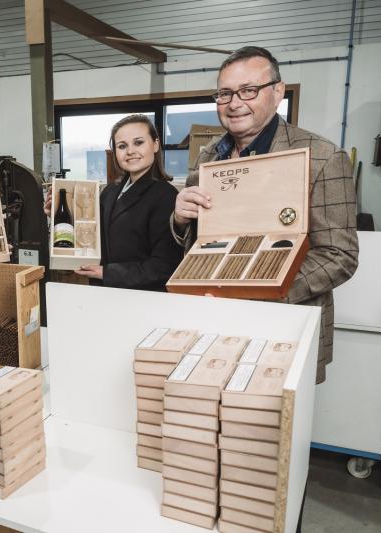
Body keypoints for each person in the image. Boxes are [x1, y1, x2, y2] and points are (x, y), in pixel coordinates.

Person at [171, 46, 359, 385]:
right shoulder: (209, 157)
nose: (234, 102)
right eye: (225, 93)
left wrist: (263, 292)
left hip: (286, 324)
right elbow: (202, 241)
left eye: (248, 90)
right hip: (218, 321)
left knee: (276, 429)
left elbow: (339, 256)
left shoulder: (322, 157)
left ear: (277, 92)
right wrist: (181, 220)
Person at [73, 114, 182, 291]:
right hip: (104, 292)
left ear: (155, 145)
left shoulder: (166, 196)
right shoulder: (110, 192)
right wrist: (58, 215)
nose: (130, 151)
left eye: (138, 142)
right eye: (122, 146)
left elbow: (164, 268)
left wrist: (107, 273)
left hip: (143, 298)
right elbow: (91, 231)